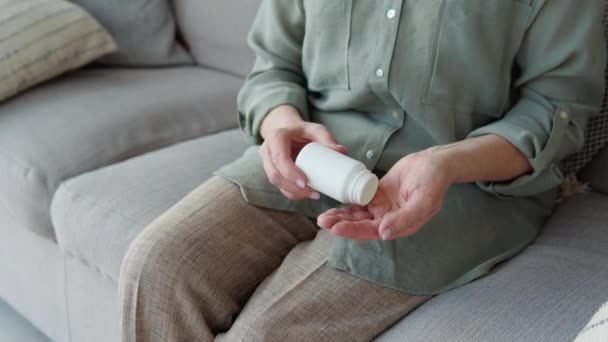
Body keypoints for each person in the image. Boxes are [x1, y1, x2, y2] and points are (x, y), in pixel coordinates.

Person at [118, 1, 606, 341]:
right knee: (157, 264)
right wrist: (281, 125)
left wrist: (445, 163)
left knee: (263, 335)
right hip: (311, 161)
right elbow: (273, 66)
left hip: (454, 188)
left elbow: (555, 107)